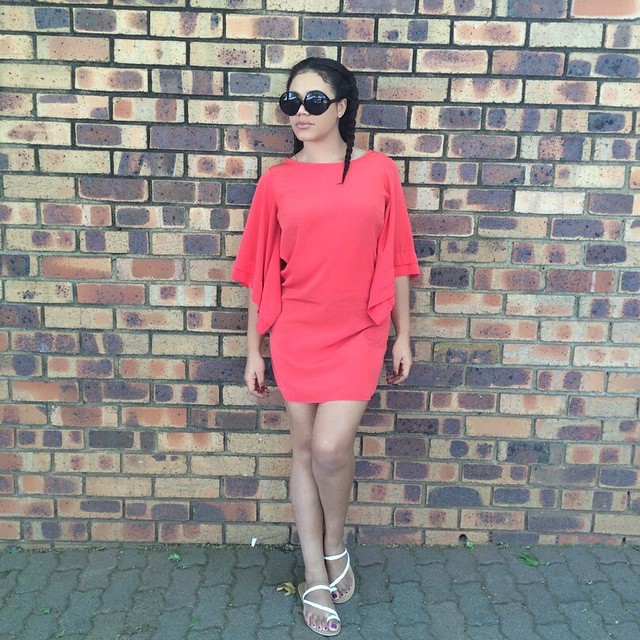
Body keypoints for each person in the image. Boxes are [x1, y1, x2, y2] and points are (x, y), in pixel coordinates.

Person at [231, 57, 420, 637]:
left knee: (331, 449)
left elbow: (397, 259)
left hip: (359, 330)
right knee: (304, 448)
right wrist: (253, 350)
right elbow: (260, 272)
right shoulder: (277, 181)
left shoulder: (379, 171)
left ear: (341, 107)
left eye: (314, 101)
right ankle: (315, 571)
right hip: (296, 329)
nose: (300, 112)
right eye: (291, 102)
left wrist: (404, 334)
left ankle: (335, 543)